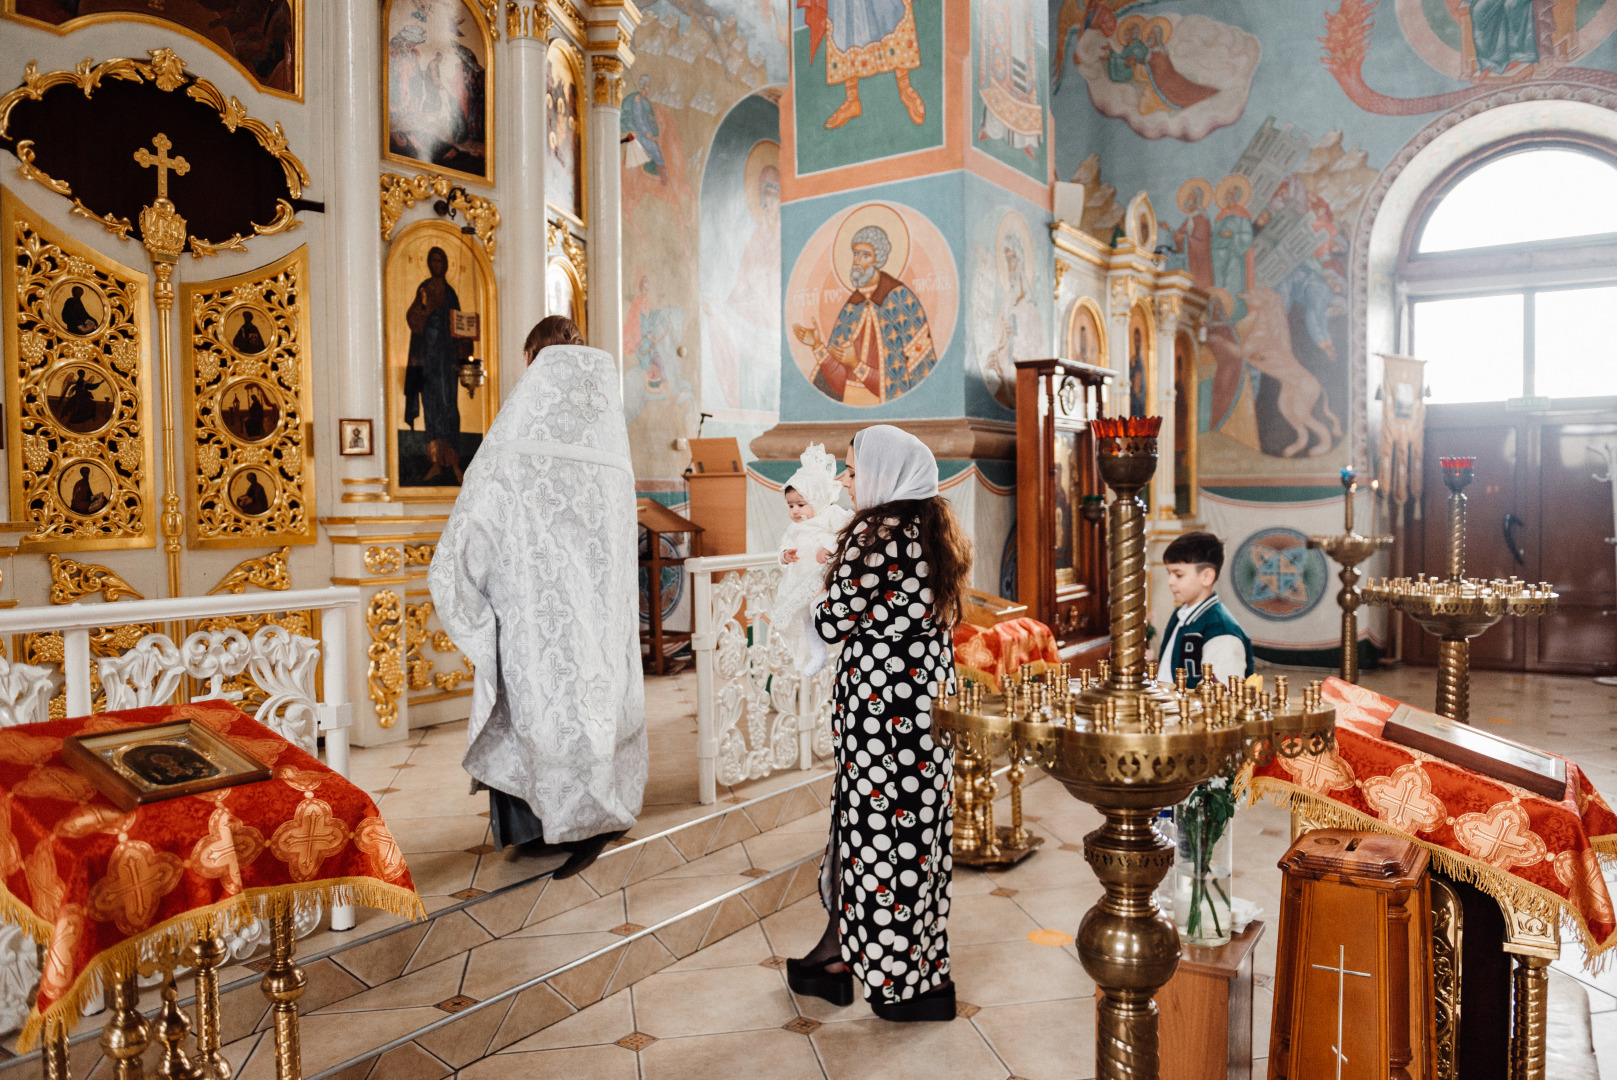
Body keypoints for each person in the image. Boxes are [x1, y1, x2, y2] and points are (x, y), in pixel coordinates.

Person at [430, 316, 646, 880]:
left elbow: (473, 527)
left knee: (538, 706)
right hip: (599, 616)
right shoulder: (608, 442)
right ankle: (598, 811)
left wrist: (470, 589)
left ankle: (540, 827)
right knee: (593, 707)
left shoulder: (517, 443)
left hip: (536, 618)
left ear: (533, 362)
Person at [788, 425, 972, 1023]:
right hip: (926, 699)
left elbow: (837, 619)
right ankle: (915, 970)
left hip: (880, 708)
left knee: (875, 833)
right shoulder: (931, 524)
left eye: (851, 469)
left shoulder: (877, 530)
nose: (845, 480)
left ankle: (891, 984)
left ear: (885, 474)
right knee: (917, 831)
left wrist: (808, 589)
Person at [771, 444, 852, 679]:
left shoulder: (831, 515)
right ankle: (817, 654)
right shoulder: (794, 528)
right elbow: (784, 544)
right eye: (790, 506)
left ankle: (836, 648)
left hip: (824, 578)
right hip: (801, 579)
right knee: (807, 619)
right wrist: (785, 555)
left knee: (824, 611)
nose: (795, 511)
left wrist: (828, 546)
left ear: (817, 500)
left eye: (801, 504)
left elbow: (845, 529)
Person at [405, 246, 474, 482]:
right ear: (429, 263)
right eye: (433, 260)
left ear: (445, 265)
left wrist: (467, 343)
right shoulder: (424, 289)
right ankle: (435, 463)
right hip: (427, 361)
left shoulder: (451, 292)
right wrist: (426, 307)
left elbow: (460, 325)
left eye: (440, 261)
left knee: (449, 409)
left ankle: (453, 463)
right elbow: (413, 320)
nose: (436, 265)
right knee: (432, 409)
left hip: (447, 362)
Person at [1155, 531, 1253, 689]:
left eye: (1178, 575)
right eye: (1169, 573)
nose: (1170, 582)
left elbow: (1220, 694)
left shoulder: (1221, 629)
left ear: (1207, 577)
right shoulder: (1180, 615)